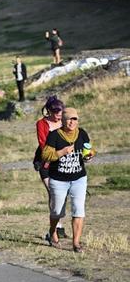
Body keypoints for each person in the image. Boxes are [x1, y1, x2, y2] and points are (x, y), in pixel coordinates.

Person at [42, 107, 93, 252]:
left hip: (79, 178)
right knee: (57, 211)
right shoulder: (54, 135)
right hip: (59, 180)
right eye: (69, 119)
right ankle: (52, 232)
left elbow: (88, 150)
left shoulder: (82, 133)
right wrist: (62, 152)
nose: (72, 122)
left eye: (74, 119)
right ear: (63, 121)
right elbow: (45, 155)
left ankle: (76, 243)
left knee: (78, 210)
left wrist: (89, 155)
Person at [35, 96, 67, 241]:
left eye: (61, 112)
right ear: (49, 111)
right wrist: (58, 153)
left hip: (63, 163)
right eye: (56, 112)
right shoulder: (41, 124)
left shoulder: (65, 122)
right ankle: (55, 228)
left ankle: (59, 226)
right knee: (54, 192)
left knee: (61, 194)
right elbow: (43, 144)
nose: (59, 115)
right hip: (46, 162)